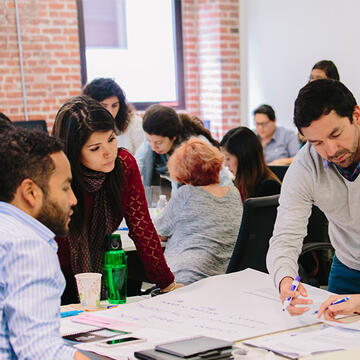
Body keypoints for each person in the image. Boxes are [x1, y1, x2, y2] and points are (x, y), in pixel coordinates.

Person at [52, 95, 178, 304]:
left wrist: (167, 284)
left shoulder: (124, 165)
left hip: (105, 276)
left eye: (111, 139)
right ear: (74, 151)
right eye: (95, 148)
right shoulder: (56, 175)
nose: (108, 152)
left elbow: (142, 228)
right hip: (57, 282)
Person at [266, 79, 360, 316]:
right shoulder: (306, 164)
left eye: (336, 134)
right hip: (348, 266)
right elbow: (285, 238)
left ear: (356, 115)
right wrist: (285, 280)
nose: (330, 150)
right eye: (316, 142)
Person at [0, 129, 89, 359]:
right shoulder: (27, 246)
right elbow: (40, 353)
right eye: (65, 187)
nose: (73, 200)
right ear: (31, 192)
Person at [154, 138, 242, 285]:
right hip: (226, 278)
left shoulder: (186, 193)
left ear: (182, 171)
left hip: (187, 278)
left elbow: (157, 232)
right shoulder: (234, 193)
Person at [135, 104, 233, 192]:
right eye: (148, 140)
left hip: (213, 195)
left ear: (173, 136)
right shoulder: (154, 137)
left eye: (159, 142)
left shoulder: (196, 147)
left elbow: (221, 177)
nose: (153, 147)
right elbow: (136, 165)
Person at [83, 78, 144, 154]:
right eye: (104, 106)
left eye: (114, 105)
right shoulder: (84, 127)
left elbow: (142, 159)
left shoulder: (134, 123)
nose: (110, 112)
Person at [220, 127, 281, 202]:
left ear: (243, 158)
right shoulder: (238, 183)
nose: (225, 164)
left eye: (228, 159)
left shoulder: (269, 187)